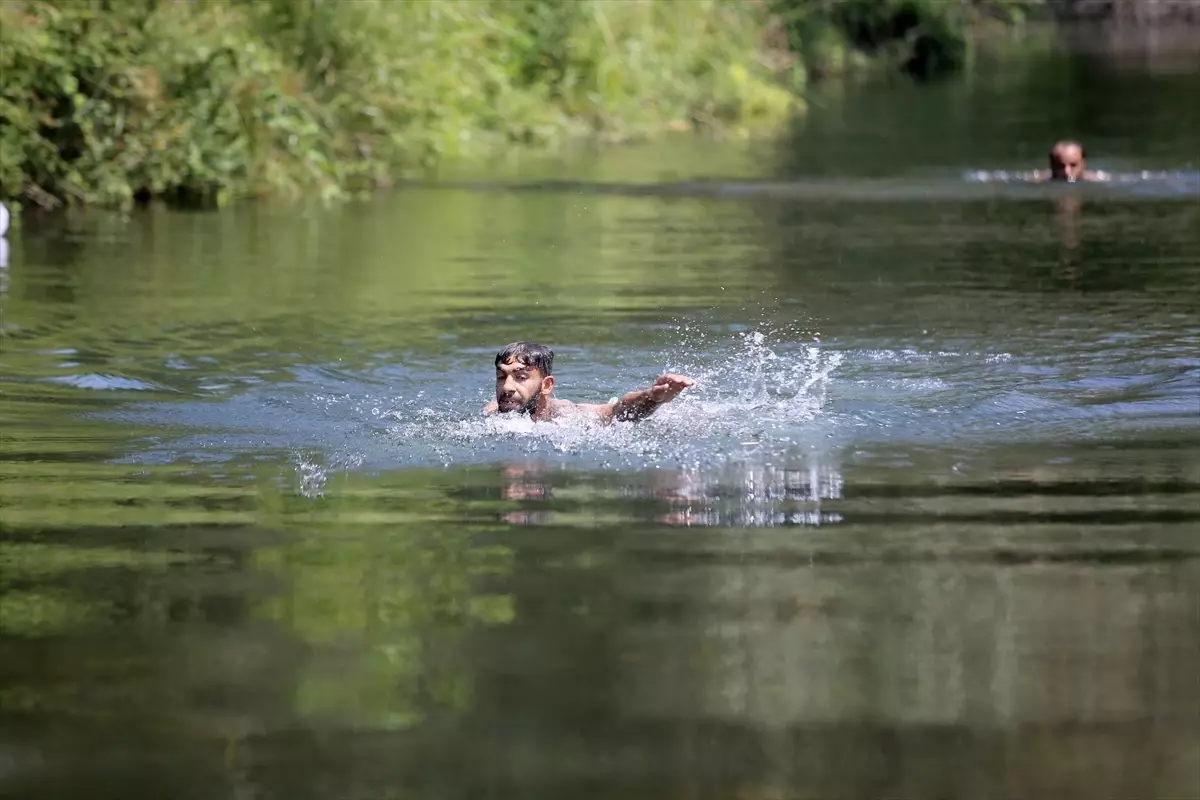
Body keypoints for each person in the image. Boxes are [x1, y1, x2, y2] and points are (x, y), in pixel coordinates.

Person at [482, 341, 695, 424]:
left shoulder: (567, 415)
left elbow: (616, 410)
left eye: (520, 377)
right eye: (502, 376)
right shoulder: (492, 414)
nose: (507, 387)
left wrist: (652, 397)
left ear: (547, 385)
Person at [1033, 140, 1110, 183]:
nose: (1067, 172)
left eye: (1073, 165)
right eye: (1060, 166)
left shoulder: (1101, 179)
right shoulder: (1038, 179)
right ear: (1052, 165)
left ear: (1083, 163)